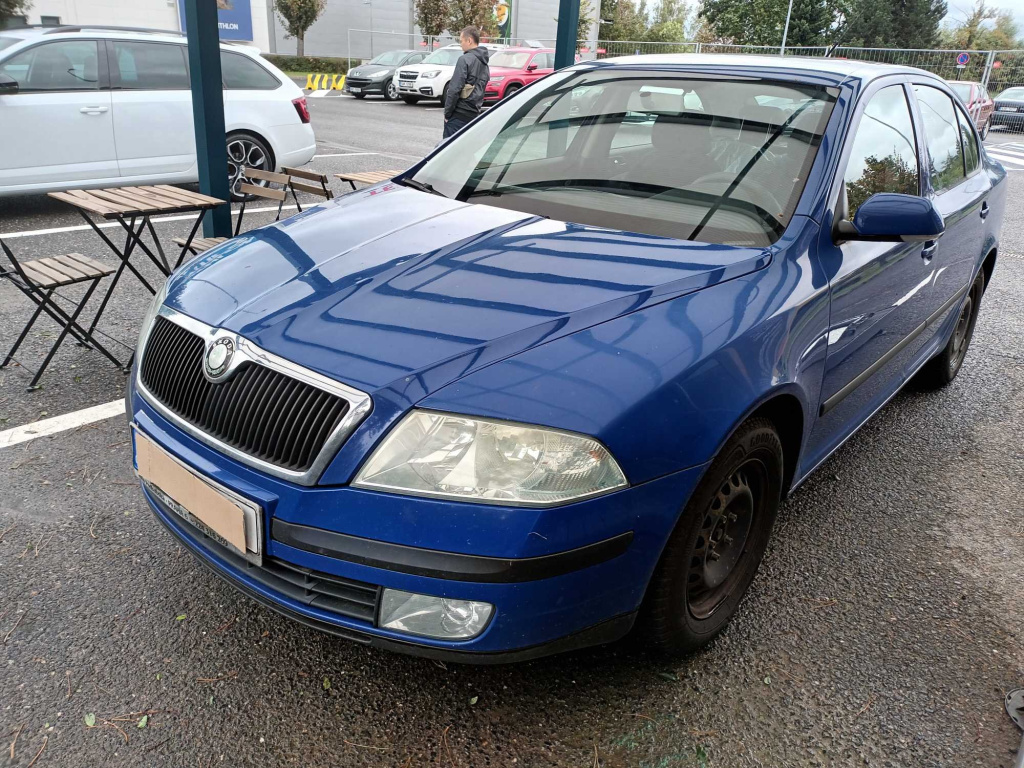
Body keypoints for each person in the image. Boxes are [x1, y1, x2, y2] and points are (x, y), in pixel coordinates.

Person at [443, 27, 489, 140]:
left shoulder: (464, 59)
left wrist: (447, 114)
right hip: (474, 115)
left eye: (461, 41)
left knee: (448, 151)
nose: (461, 45)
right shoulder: (485, 64)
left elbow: (454, 89)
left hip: (459, 114)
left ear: (469, 40)